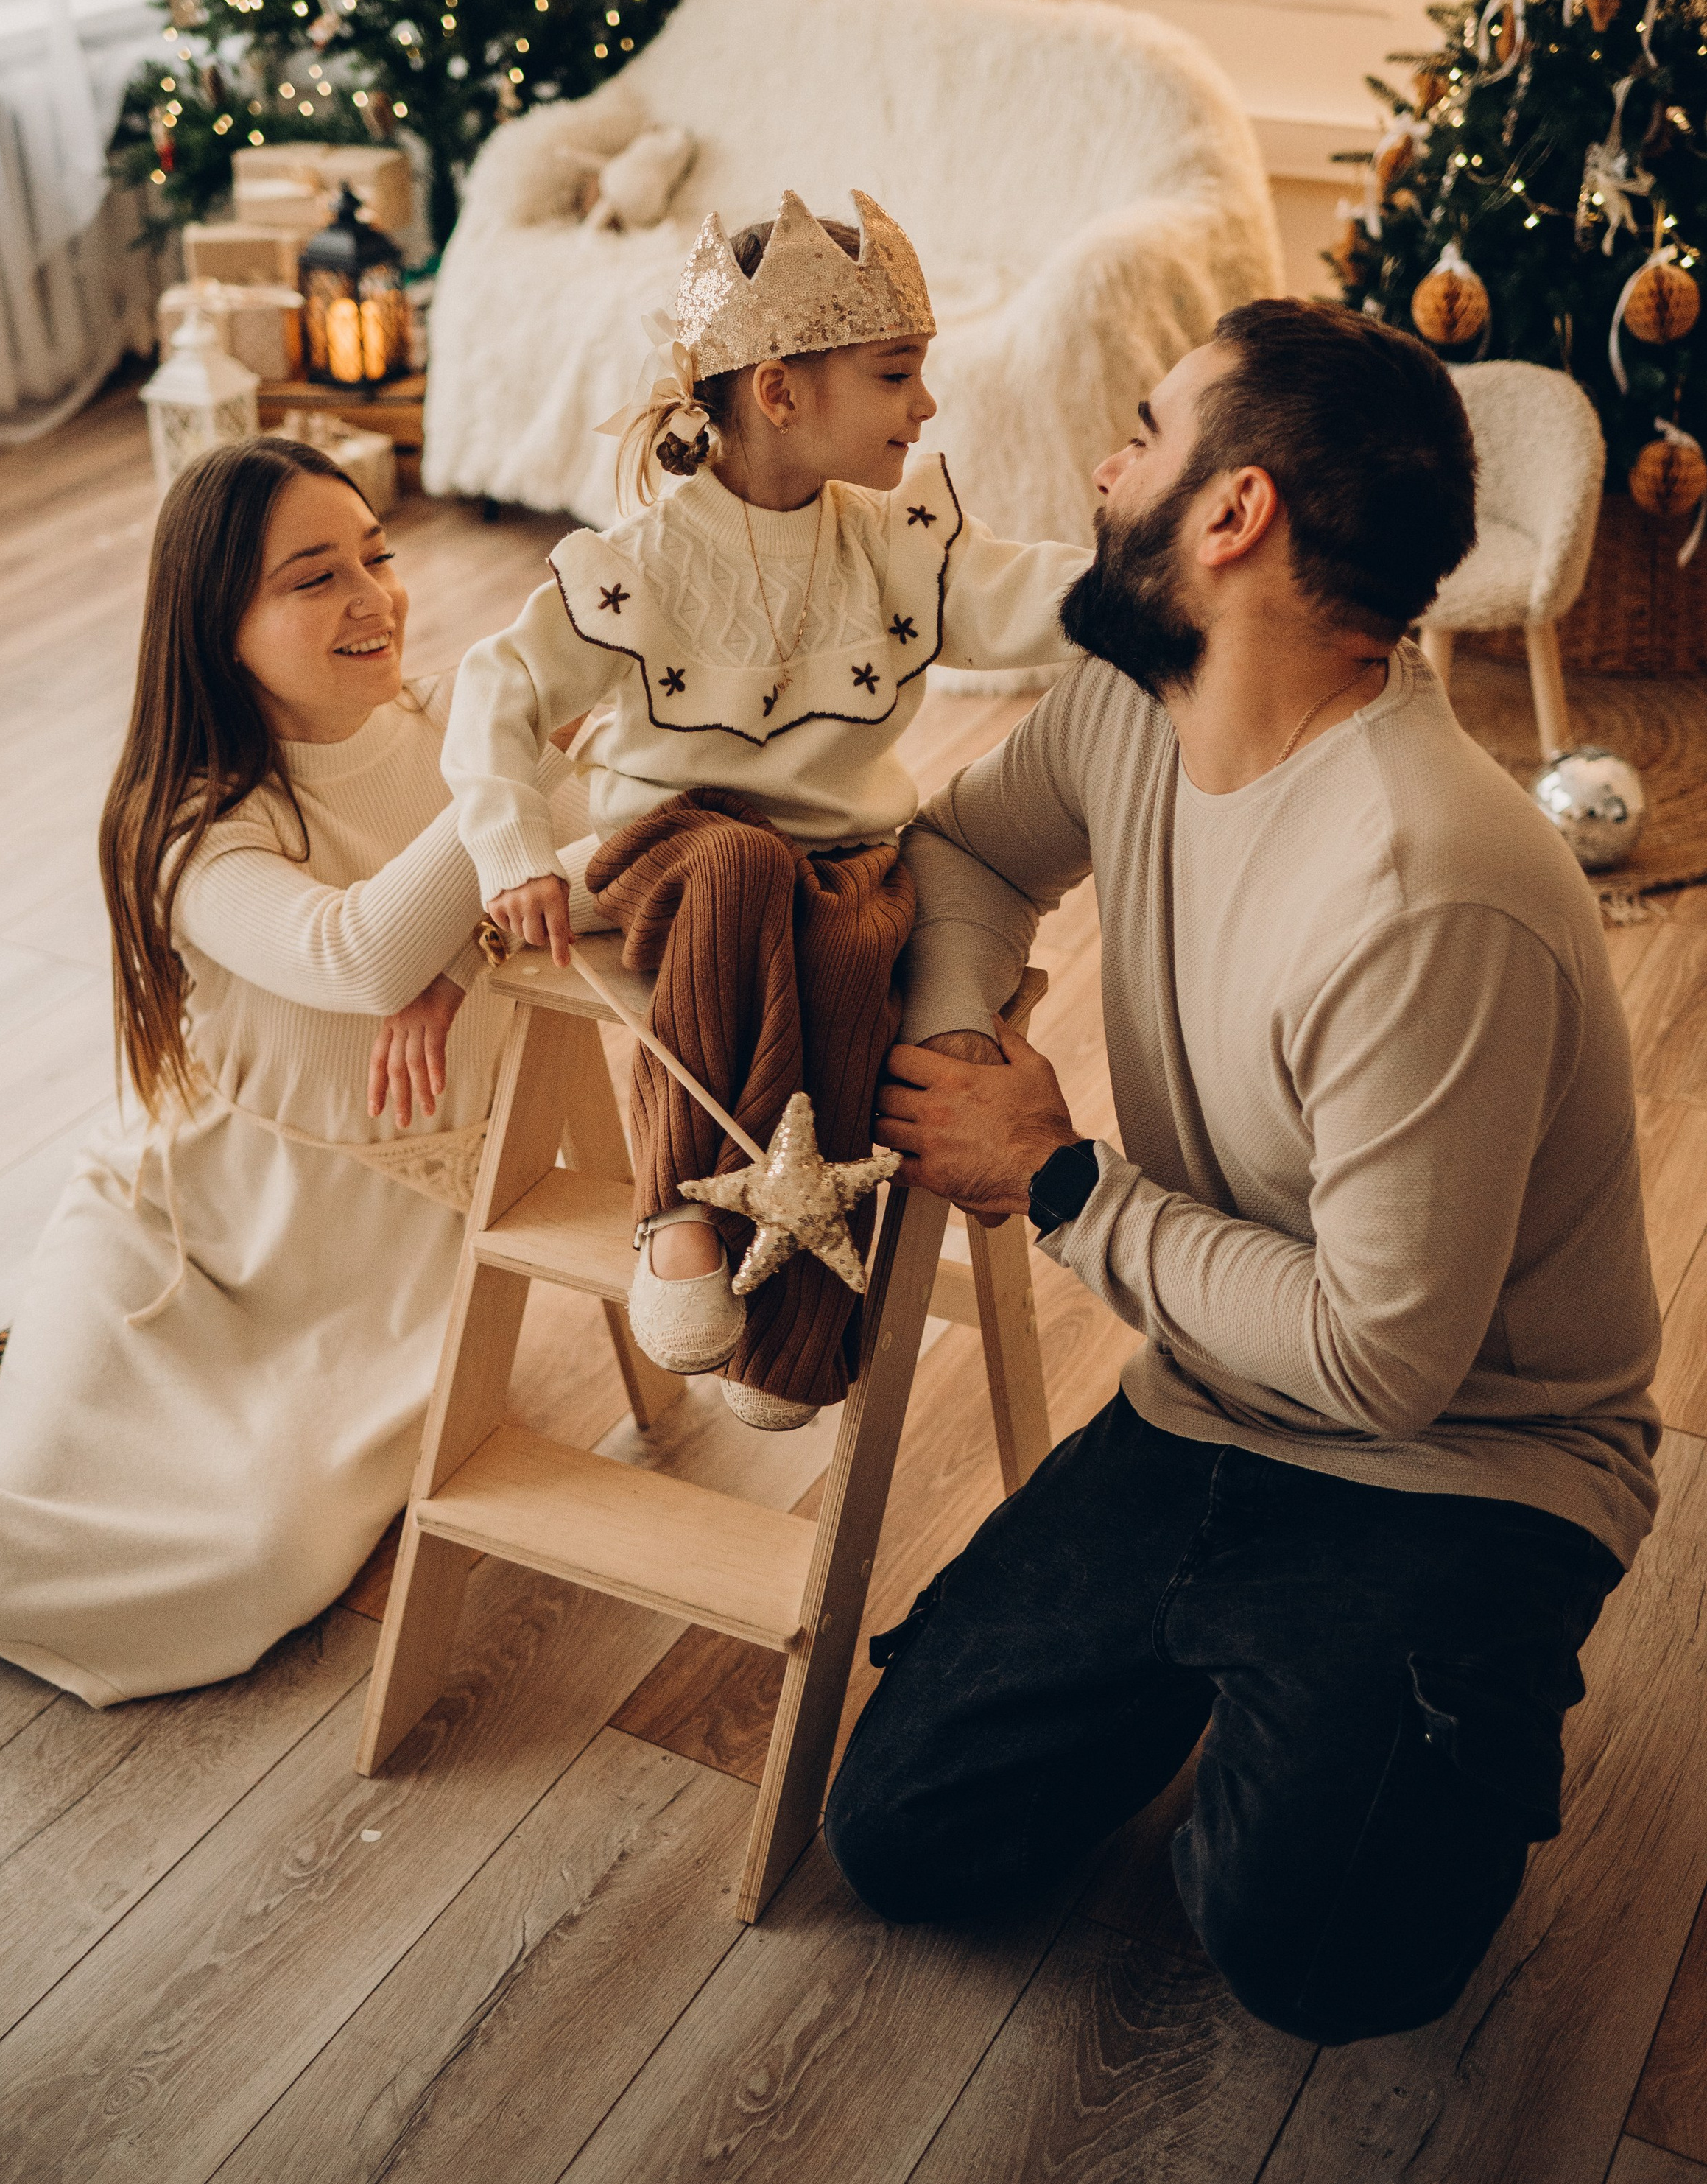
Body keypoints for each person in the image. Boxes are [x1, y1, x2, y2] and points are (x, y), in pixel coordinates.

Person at [833, 296, 1661, 2046]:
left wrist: (1057, 1182)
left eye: (1142, 430)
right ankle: (1237, 1654)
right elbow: (966, 852)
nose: (1101, 464)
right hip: (1207, 1402)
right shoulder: (1132, 712)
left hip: (1461, 1464)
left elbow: (1384, 1363)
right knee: (903, 1836)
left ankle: (1421, 1685)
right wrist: (975, 1043)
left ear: (1232, 514)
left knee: (1313, 1958)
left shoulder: (1425, 881)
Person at [0, 437, 577, 1707]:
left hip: (379, 1272)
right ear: (217, 624)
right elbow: (358, 953)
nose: (374, 599)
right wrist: (521, 786)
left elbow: (590, 831)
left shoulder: (453, 724)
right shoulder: (192, 829)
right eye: (314, 578)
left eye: (379, 558)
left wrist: (477, 940)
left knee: (263, 1554)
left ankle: (33, 1386)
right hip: (200, 1237)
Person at [441, 188, 1089, 1430]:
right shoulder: (641, 559)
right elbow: (498, 687)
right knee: (736, 866)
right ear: (782, 393)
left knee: (853, 949)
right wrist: (512, 846)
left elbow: (1033, 594)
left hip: (838, 862)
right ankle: (676, 1212)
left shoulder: (899, 543)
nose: (926, 405)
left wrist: (1169, 577)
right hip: (666, 855)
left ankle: (791, 1329)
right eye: (897, 375)